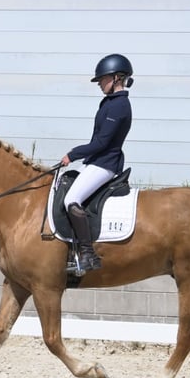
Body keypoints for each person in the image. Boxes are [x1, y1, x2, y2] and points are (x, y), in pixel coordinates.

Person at [60, 53, 134, 273]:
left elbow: (101, 142)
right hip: (97, 161)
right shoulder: (110, 102)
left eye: (103, 79)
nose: (100, 84)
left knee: (72, 199)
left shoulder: (119, 106)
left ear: (117, 78)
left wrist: (73, 154)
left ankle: (88, 255)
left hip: (105, 163)